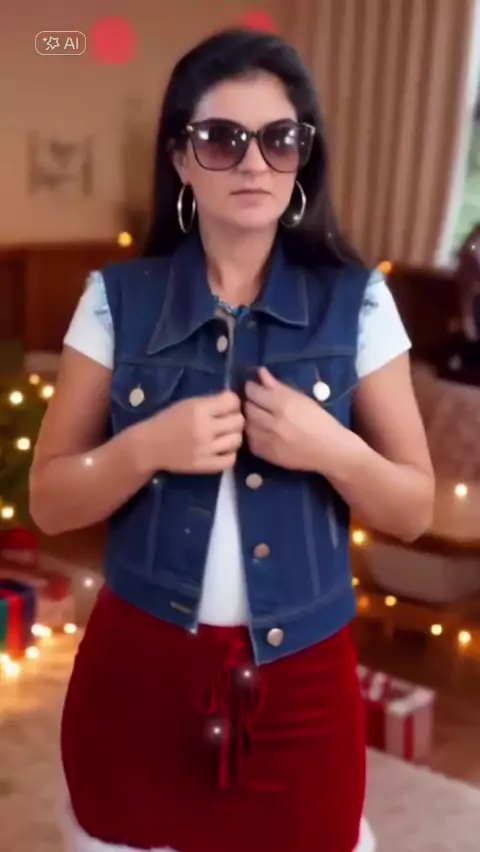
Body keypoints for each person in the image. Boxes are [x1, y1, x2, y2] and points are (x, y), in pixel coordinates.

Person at [29, 27, 434, 852]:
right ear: (181, 158)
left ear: (302, 158)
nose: (254, 163)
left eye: (279, 139)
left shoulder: (359, 303)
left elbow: (414, 508)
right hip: (137, 674)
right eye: (222, 138)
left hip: (303, 684)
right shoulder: (114, 300)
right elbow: (49, 501)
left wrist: (331, 449)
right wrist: (144, 447)